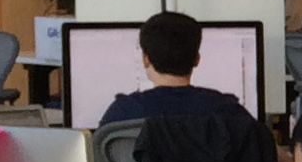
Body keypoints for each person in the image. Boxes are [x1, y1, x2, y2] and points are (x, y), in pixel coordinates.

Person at [97, 10, 251, 130]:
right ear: (197, 59)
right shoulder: (229, 112)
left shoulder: (122, 113)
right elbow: (261, 152)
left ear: (145, 59)